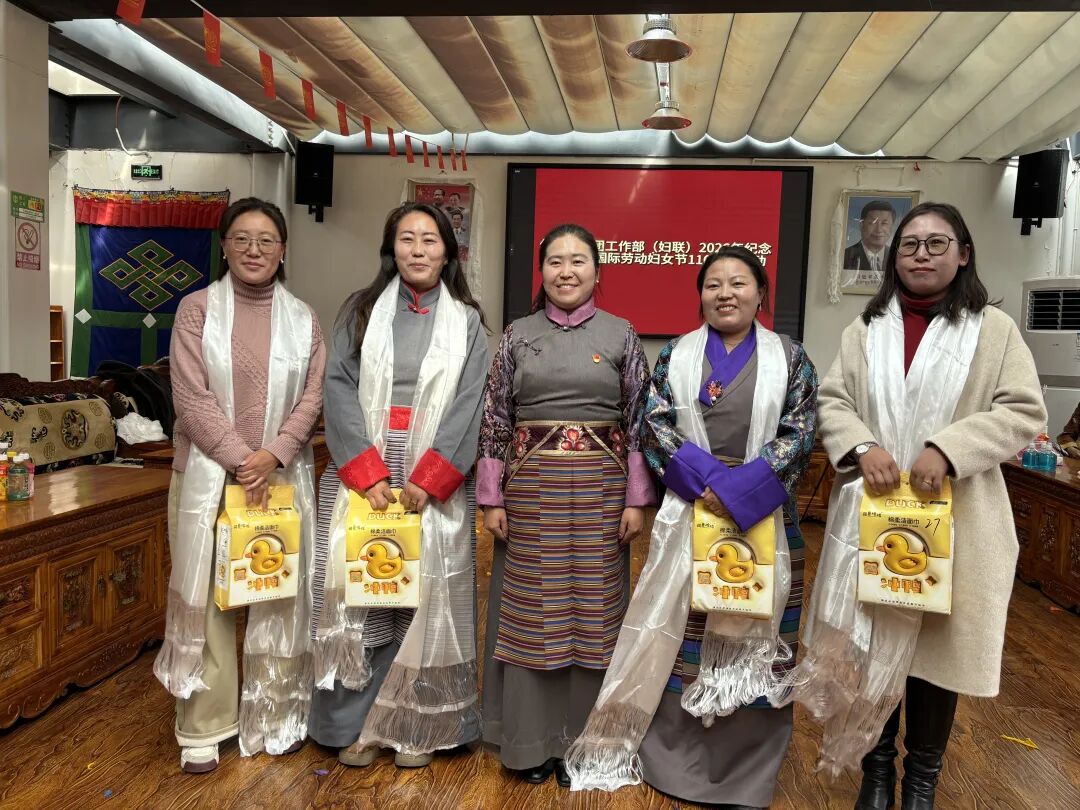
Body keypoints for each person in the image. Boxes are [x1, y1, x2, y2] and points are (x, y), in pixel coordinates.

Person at [795, 202, 1045, 810]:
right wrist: (863, 445)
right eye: (910, 244)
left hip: (958, 519)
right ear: (894, 257)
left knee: (934, 659)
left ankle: (922, 782)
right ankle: (877, 774)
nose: (922, 254)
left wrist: (947, 448)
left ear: (963, 254)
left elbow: (1022, 410)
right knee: (870, 647)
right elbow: (833, 401)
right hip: (876, 516)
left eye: (937, 243)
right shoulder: (866, 328)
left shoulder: (993, 330)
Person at [563, 246, 817, 809]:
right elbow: (652, 425)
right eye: (713, 284)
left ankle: (746, 772)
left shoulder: (791, 358)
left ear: (761, 293)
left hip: (764, 517)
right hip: (692, 507)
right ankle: (673, 762)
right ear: (700, 295)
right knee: (685, 637)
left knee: (752, 636)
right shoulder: (676, 354)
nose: (725, 293)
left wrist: (738, 492)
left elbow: (800, 433)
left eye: (739, 283)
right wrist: (710, 485)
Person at [309, 202, 489, 770]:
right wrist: (368, 474)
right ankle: (356, 725)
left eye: (430, 239)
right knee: (363, 593)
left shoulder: (469, 321)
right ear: (391, 248)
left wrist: (429, 479)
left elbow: (471, 402)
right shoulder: (359, 310)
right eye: (407, 238)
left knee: (423, 602)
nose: (418, 249)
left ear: (448, 251)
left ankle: (416, 724)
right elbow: (338, 386)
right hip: (365, 470)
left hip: (431, 477)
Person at [478, 223, 655, 786]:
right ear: (542, 271)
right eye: (556, 261)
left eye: (579, 261)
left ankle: (588, 744)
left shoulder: (623, 334)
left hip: (604, 497)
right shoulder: (517, 335)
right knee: (533, 614)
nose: (567, 271)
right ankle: (529, 743)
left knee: (596, 615)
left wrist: (637, 499)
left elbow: (640, 421)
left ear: (597, 271)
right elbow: (495, 417)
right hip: (530, 496)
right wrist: (491, 496)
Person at [155, 197, 326, 773]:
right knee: (209, 599)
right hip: (207, 477)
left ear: (283, 250)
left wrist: (273, 454)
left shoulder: (304, 318)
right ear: (224, 246)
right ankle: (205, 724)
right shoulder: (196, 310)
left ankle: (275, 711)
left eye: (267, 240)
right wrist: (240, 459)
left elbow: (313, 397)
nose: (255, 250)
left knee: (276, 590)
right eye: (243, 239)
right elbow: (190, 396)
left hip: (280, 478)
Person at [844, 200, 895, 273]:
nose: (878, 230)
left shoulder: (897, 257)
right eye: (872, 223)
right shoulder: (845, 256)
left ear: (892, 227)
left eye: (884, 223)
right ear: (861, 225)